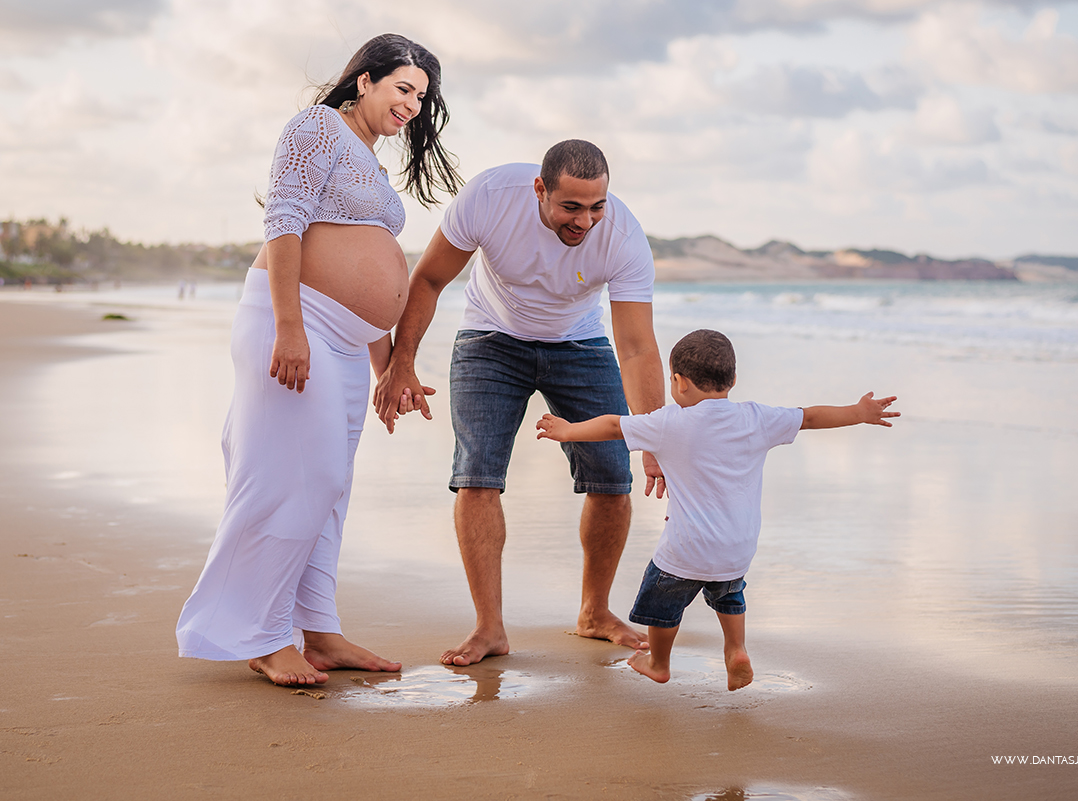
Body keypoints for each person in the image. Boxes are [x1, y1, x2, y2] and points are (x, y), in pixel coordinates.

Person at [176, 34, 461, 687]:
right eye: (403, 88)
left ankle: (320, 628)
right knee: (296, 479)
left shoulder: (366, 157)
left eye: (421, 96)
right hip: (296, 325)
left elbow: (371, 277)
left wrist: (392, 368)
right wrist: (290, 326)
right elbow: (284, 221)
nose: (413, 105)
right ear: (363, 80)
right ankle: (263, 634)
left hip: (341, 341)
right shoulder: (317, 127)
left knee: (329, 488)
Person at [372, 140, 665, 666]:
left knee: (610, 475)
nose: (586, 221)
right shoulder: (490, 195)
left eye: (596, 206)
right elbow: (431, 278)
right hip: (490, 338)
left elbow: (638, 347)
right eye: (571, 207)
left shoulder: (622, 236)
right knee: (477, 473)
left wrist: (655, 436)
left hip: (579, 342)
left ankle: (594, 612)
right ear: (540, 189)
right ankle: (490, 628)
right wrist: (402, 362)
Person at [535, 329, 900, 690]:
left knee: (662, 606)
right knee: (728, 594)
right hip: (738, 548)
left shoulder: (668, 422)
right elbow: (809, 417)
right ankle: (736, 649)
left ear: (678, 382)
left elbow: (615, 426)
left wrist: (568, 431)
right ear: (734, 379)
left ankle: (658, 662)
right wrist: (857, 412)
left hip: (685, 548)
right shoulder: (758, 418)